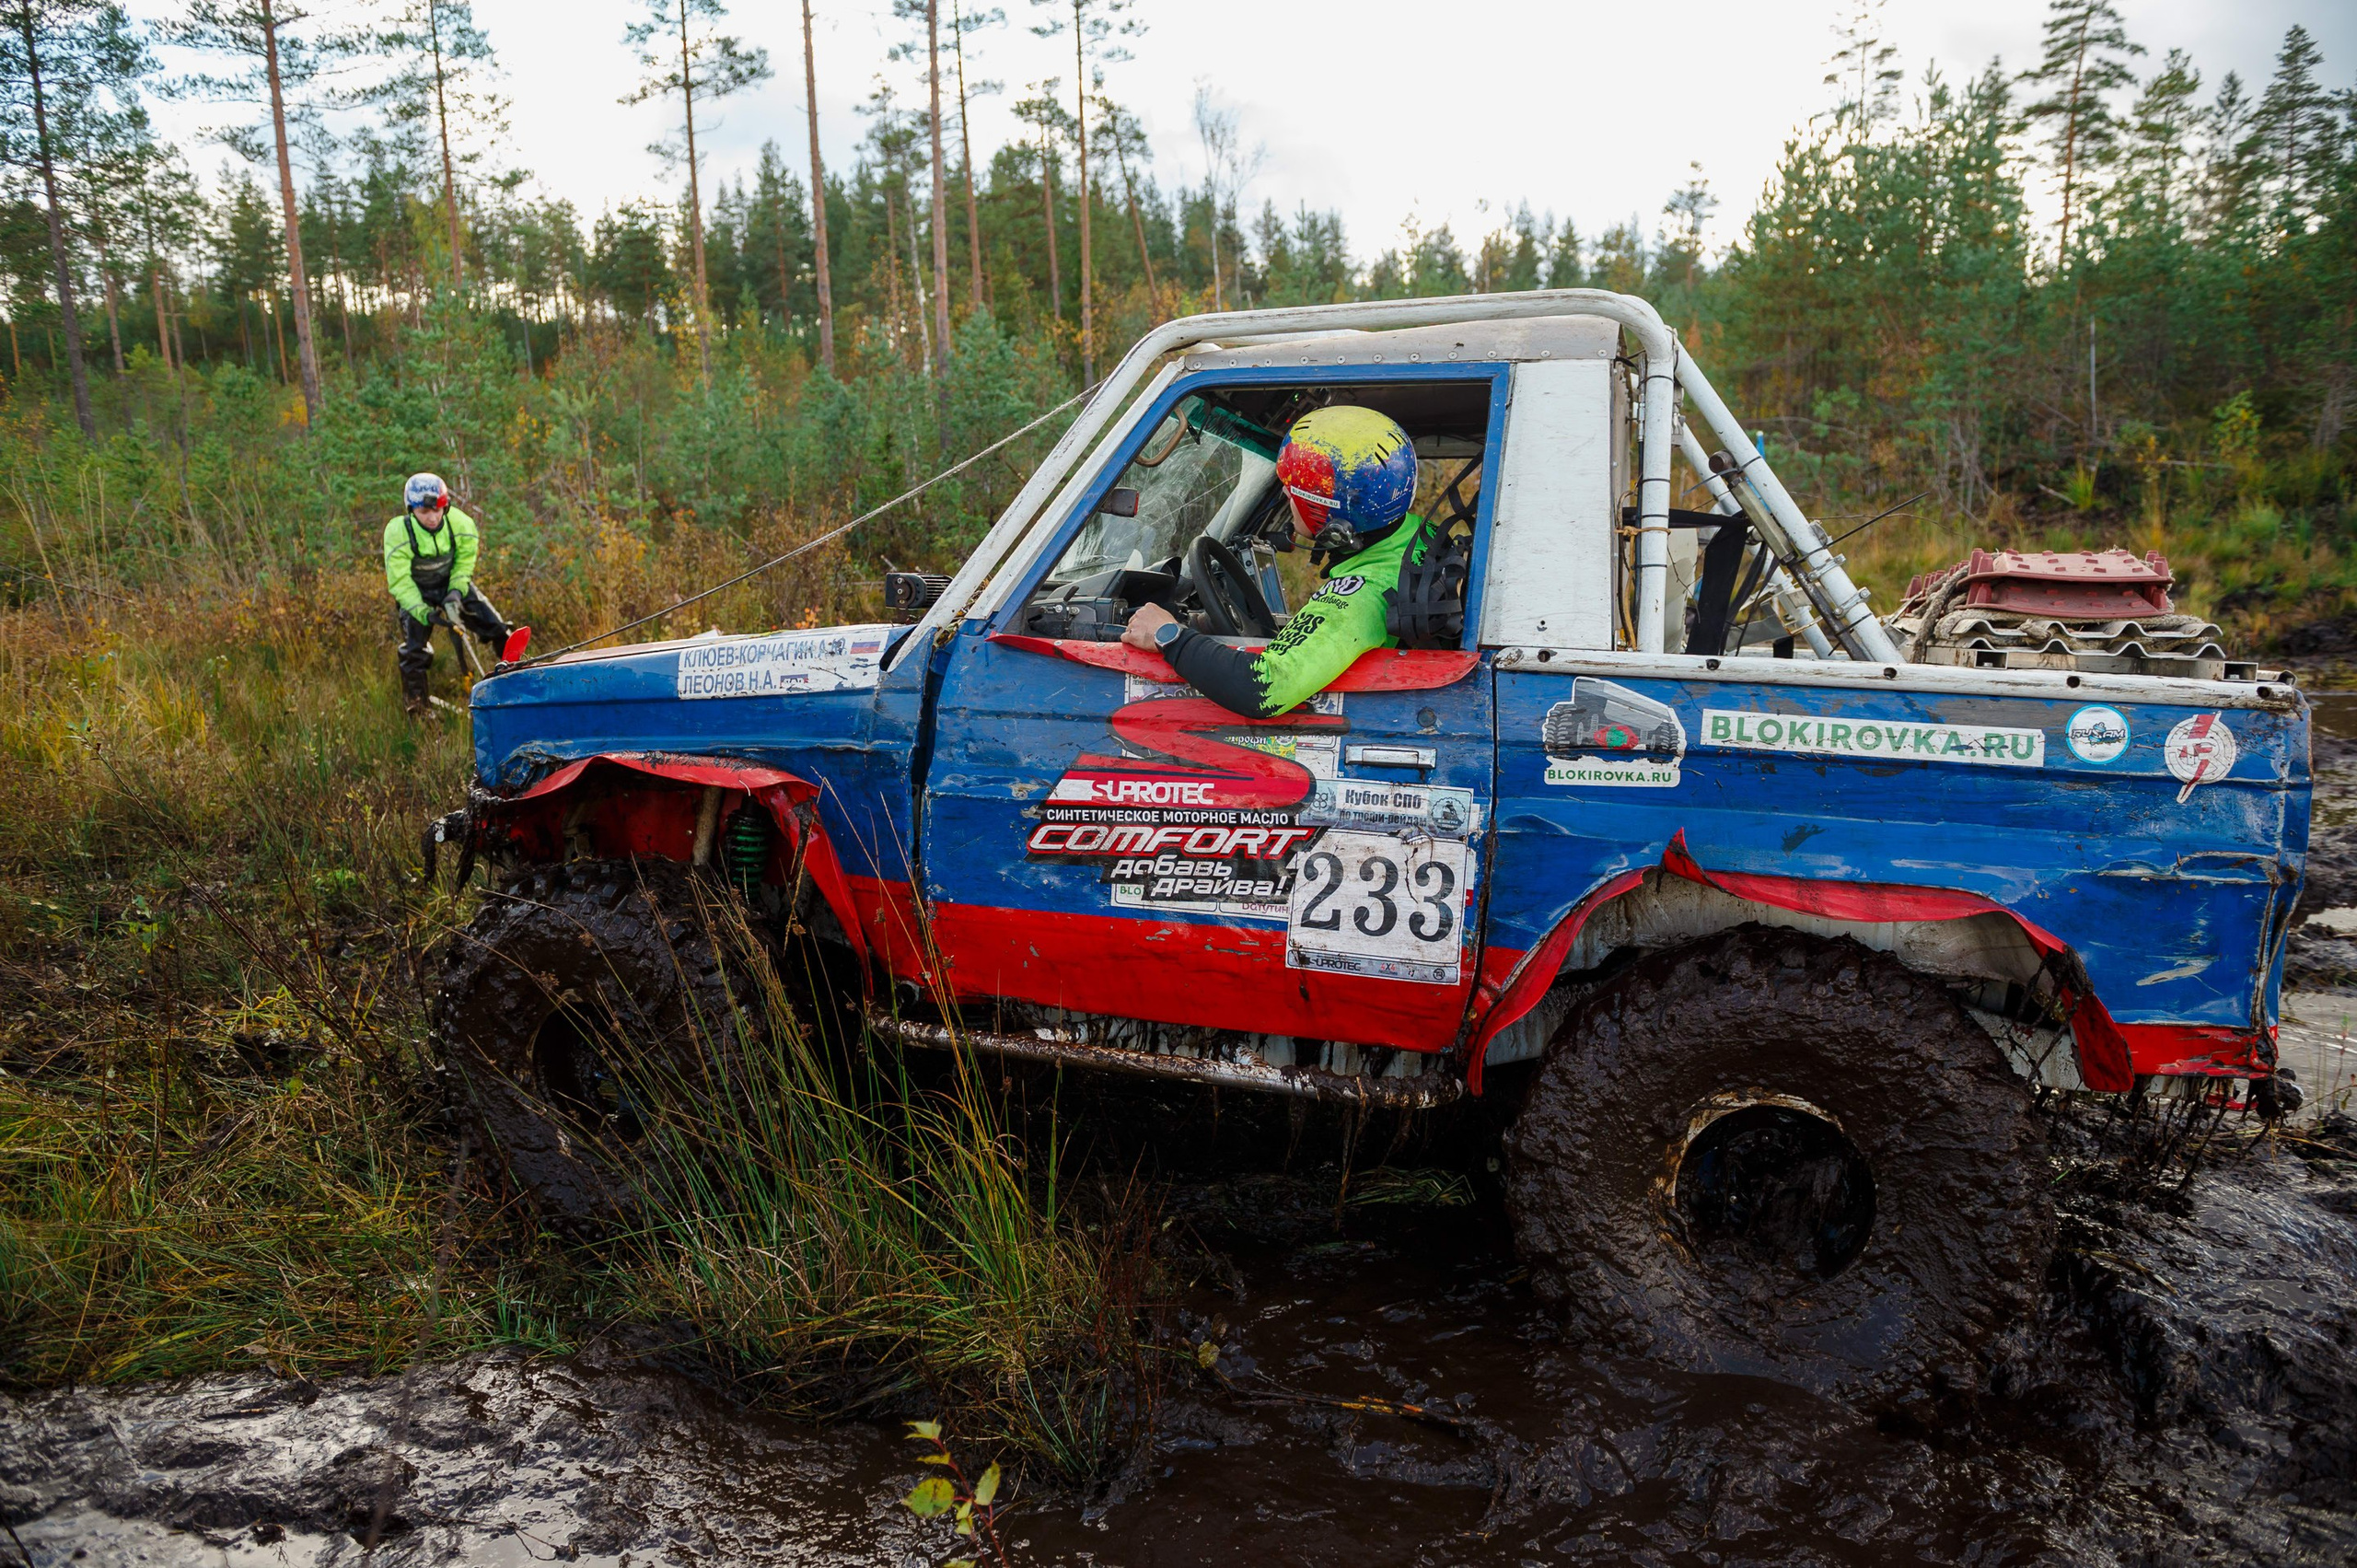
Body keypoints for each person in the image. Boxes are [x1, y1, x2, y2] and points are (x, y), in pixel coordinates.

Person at [1122, 404, 1428, 717]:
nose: (1285, 492)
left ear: (1328, 512)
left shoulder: (1362, 597)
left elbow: (1261, 689)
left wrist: (1168, 635)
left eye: (1298, 488)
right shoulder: (1413, 536)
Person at [383, 472, 513, 714]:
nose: (432, 518)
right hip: (416, 592)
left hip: (452, 584)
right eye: (424, 512)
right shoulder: (398, 531)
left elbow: (464, 564)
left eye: (438, 510)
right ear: (411, 510)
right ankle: (418, 708)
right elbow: (399, 580)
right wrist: (423, 612)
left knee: (497, 627)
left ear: (446, 506)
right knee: (414, 652)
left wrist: (455, 592)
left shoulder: (461, 524)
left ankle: (517, 685)